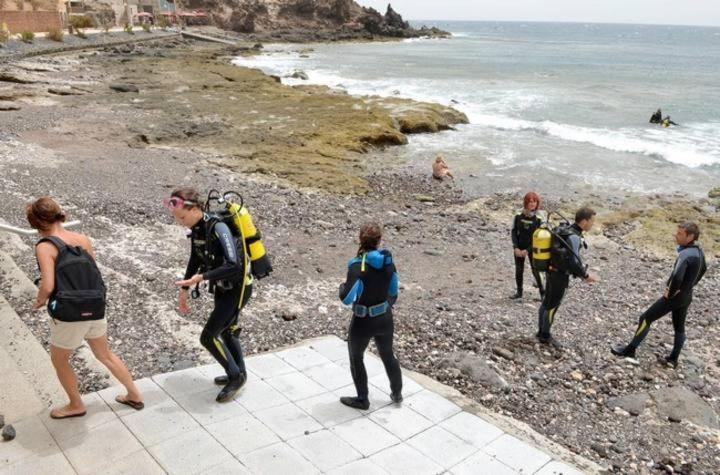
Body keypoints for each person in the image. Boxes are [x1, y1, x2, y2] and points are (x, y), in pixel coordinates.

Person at [28, 197, 143, 419]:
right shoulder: (82, 239)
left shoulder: (45, 246)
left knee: (60, 359)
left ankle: (76, 404)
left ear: (37, 223)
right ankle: (134, 394)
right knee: (105, 354)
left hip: (70, 313)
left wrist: (40, 300)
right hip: (95, 306)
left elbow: (48, 285)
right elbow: (91, 272)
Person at [166, 188, 252, 402]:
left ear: (195, 208)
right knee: (227, 331)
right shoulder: (197, 229)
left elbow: (233, 264)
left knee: (208, 337)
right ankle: (239, 373)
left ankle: (235, 377)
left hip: (239, 287)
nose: (181, 223)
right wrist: (184, 289)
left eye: (183, 217)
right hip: (222, 287)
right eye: (177, 219)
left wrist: (202, 277)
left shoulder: (218, 227)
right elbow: (194, 259)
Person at [611, 222, 706, 367]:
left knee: (645, 318)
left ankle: (629, 350)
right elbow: (703, 269)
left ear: (690, 237)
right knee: (679, 327)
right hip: (687, 296)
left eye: (680, 234)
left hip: (674, 297)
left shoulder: (685, 254)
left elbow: (677, 276)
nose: (675, 235)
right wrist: (688, 286)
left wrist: (671, 292)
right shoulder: (699, 252)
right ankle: (673, 359)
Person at [339, 222, 402, 410]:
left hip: (363, 321)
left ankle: (362, 399)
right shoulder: (388, 263)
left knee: (356, 357)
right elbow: (393, 292)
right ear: (379, 240)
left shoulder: (356, 266)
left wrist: (342, 287)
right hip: (384, 317)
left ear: (360, 239)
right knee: (388, 354)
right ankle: (397, 394)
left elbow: (346, 298)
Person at [537, 207, 599, 346]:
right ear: (584, 221)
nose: (592, 224)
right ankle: (545, 336)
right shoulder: (574, 237)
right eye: (592, 221)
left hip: (551, 270)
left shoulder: (565, 230)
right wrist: (585, 276)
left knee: (546, 302)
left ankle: (540, 331)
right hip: (560, 276)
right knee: (553, 305)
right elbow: (573, 262)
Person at [510, 191, 546, 300]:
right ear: (526, 202)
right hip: (519, 246)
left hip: (533, 247)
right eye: (530, 202)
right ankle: (519, 292)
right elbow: (513, 231)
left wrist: (528, 250)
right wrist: (516, 247)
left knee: (535, 270)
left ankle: (543, 294)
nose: (533, 204)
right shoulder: (518, 214)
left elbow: (540, 237)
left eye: (535, 202)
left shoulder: (539, 217)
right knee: (519, 270)